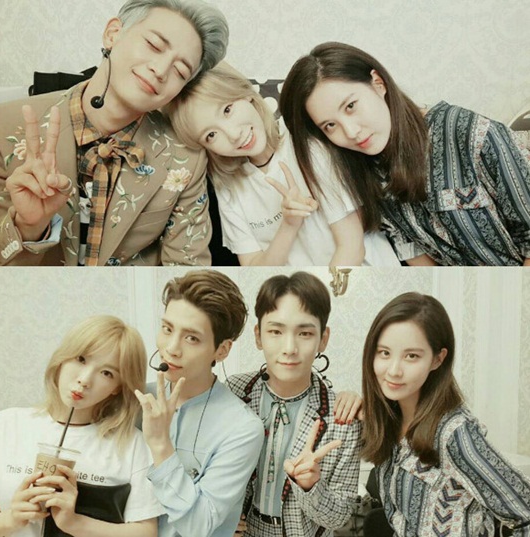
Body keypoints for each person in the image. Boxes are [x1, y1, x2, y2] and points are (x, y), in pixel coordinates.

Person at [0, 0, 229, 266]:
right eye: (153, 45)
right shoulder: (0, 126)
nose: (161, 70)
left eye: (180, 71)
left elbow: (189, 271)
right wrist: (28, 227)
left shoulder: (186, 159)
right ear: (113, 34)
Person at [280, 42, 530, 266]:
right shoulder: (365, 172)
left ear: (378, 83)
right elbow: (414, 254)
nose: (351, 132)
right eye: (330, 125)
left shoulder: (470, 133)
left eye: (351, 106)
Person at [168, 62, 400, 266]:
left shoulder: (306, 142)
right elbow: (253, 268)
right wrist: (289, 225)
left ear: (245, 94)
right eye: (211, 135)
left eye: (227, 110)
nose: (233, 135)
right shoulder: (228, 186)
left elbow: (352, 248)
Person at [361, 292, 530, 536]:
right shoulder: (389, 421)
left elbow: (525, 512)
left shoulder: (455, 433)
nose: (394, 370)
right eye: (384, 353)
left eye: (411, 356)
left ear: (437, 359)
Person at [0, 315, 164, 537]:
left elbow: (146, 533)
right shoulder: (3, 425)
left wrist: (75, 523)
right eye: (81, 359)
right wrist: (11, 519)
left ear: (117, 387)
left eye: (107, 373)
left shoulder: (132, 444)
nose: (85, 380)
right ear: (63, 358)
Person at [226, 271, 362, 536]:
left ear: (323, 339)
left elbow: (340, 517)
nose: (289, 348)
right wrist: (221, 522)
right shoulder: (234, 392)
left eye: (305, 333)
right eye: (275, 331)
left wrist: (311, 486)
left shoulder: (342, 417)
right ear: (258, 336)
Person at [135, 270, 265, 537]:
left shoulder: (243, 428)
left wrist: (160, 445)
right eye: (167, 329)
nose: (172, 348)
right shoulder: (136, 400)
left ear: (222, 350)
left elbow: (198, 526)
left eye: (191, 338)